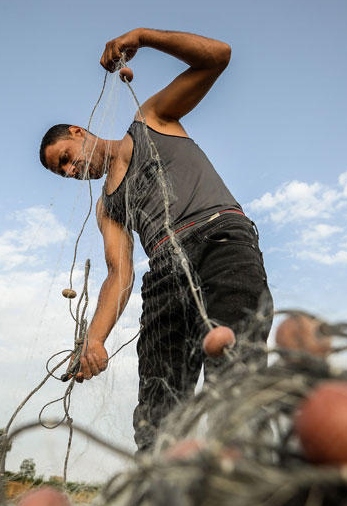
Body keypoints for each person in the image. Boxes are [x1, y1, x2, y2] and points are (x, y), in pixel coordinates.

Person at [39, 28, 273, 452]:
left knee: (236, 381)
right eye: (64, 173)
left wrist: (144, 37)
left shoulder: (151, 120)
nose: (71, 172)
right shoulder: (107, 206)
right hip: (166, 273)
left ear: (78, 132)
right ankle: (166, 503)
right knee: (158, 411)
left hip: (220, 241)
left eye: (66, 160)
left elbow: (217, 57)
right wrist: (94, 339)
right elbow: (119, 275)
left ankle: (254, 500)